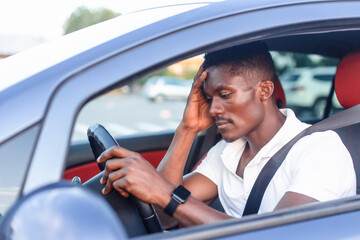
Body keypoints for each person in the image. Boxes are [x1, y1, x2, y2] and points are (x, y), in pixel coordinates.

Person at [97, 42, 356, 227]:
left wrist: (166, 193)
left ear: (265, 91)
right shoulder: (226, 152)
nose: (214, 109)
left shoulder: (320, 151)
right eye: (209, 98)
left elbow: (279, 237)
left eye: (225, 95)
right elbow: (163, 215)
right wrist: (187, 130)